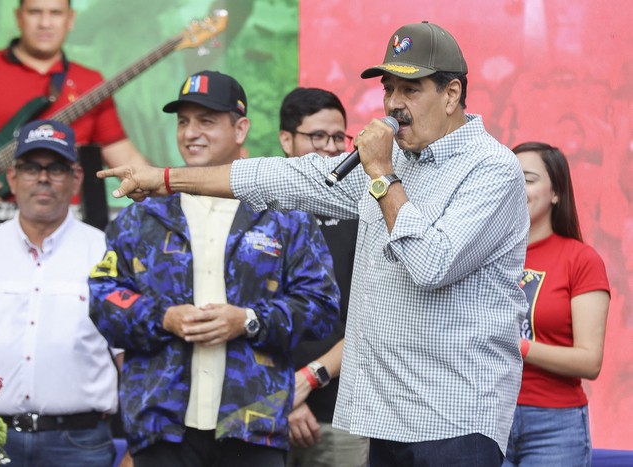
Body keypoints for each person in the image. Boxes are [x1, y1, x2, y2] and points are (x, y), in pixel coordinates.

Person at [97, 21, 531, 466]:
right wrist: (166, 179)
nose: (394, 106)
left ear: (452, 94)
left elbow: (430, 263)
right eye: (389, 89)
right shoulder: (397, 159)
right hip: (387, 419)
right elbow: (281, 177)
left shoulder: (491, 170)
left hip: (456, 420)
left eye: (411, 90)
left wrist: (381, 174)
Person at [88, 70, 339, 467]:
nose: (191, 133)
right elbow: (103, 299)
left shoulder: (283, 213)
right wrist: (163, 318)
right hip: (160, 426)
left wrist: (249, 320)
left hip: (252, 425)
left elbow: (322, 307)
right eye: (184, 121)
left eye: (206, 121)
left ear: (240, 129)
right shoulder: (143, 216)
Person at [0, 119, 119, 466]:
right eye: (31, 167)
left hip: (80, 443)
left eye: (56, 168)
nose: (43, 178)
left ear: (76, 178)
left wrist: (139, 448)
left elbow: (129, 357)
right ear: (12, 178)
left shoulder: (107, 252)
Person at [0, 0, 151, 289]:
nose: (45, 23)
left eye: (55, 13)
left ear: (70, 19)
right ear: (19, 17)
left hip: (66, 235)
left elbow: (126, 159)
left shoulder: (90, 82)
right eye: (36, 12)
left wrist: (176, 187)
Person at [504, 142, 610, 467]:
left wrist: (517, 346)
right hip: (489, 415)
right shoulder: (487, 256)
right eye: (509, 178)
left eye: (528, 179)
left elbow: (589, 361)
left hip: (555, 425)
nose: (516, 187)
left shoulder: (581, 260)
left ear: (555, 193)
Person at [278, 87, 368, 467]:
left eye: (339, 138)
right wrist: (283, 396)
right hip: (262, 410)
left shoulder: (366, 210)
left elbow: (372, 319)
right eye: (318, 137)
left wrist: (308, 380)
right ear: (286, 139)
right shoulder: (261, 207)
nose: (331, 148)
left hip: (341, 414)